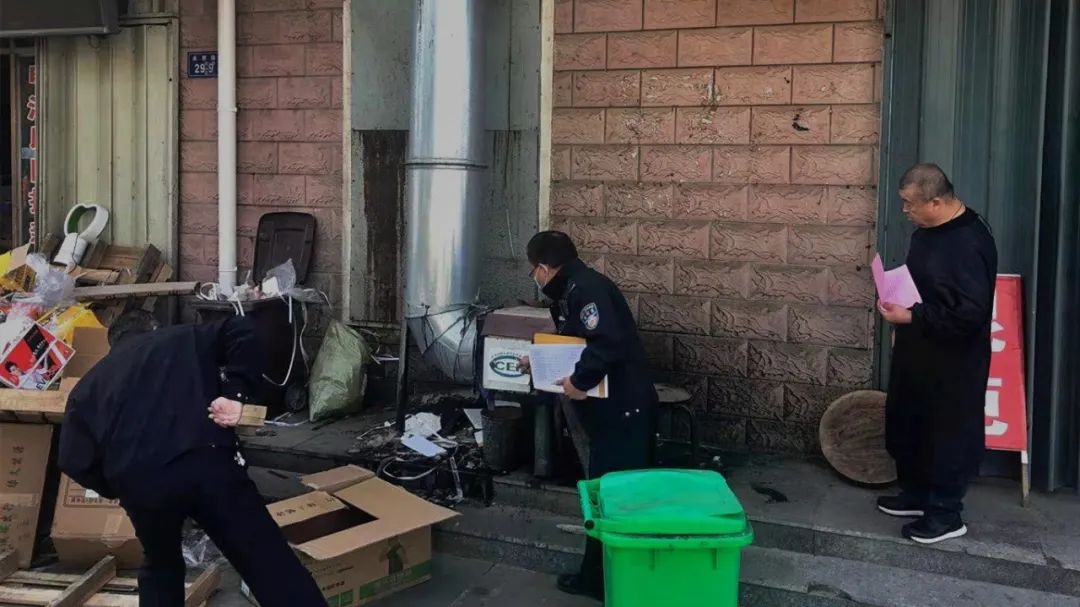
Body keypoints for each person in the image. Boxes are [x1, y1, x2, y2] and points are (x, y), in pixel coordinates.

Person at [58, 311, 325, 606]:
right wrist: (236, 392)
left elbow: (72, 459)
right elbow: (243, 330)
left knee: (161, 565)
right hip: (205, 460)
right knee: (265, 558)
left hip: (142, 485)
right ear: (155, 327)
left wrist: (117, 485)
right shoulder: (183, 337)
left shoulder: (88, 386)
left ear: (113, 344)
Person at [520, 231, 657, 600]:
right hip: (613, 409)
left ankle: (607, 581)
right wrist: (536, 361)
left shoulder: (586, 291)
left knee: (613, 496)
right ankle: (602, 576)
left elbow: (606, 344)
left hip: (622, 409)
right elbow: (573, 344)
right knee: (606, 493)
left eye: (534, 271)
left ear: (544, 267)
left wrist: (580, 382)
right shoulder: (573, 290)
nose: (535, 278)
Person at [877, 163, 997, 545]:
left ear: (936, 202)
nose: (905, 211)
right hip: (918, 347)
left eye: (910, 204)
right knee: (910, 420)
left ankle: (945, 513)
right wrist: (903, 319)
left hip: (954, 360)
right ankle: (916, 494)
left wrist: (913, 316)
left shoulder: (970, 242)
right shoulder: (926, 232)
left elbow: (970, 313)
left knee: (947, 433)